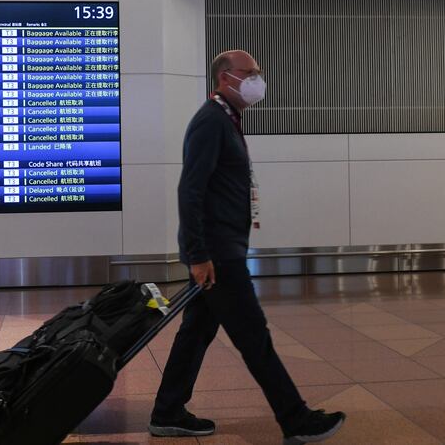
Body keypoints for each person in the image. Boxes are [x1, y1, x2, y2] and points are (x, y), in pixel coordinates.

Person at [148, 50, 346, 444]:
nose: (258, 78)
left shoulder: (225, 119)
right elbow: (190, 191)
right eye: (250, 72)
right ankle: (296, 420)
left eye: (258, 71)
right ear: (225, 77)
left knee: (196, 332)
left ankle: (167, 411)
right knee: (254, 337)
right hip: (219, 255)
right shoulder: (211, 122)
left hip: (222, 248)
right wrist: (199, 254)